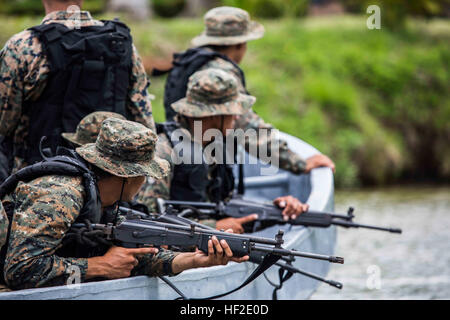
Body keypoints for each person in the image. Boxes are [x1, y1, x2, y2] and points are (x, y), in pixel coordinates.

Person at [0, 118, 247, 290]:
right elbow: (21, 270)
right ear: (128, 176)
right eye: (146, 174)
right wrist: (99, 266)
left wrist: (195, 260)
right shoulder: (62, 194)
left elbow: (131, 259)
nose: (145, 181)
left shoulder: (105, 199)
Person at [160, 6, 335, 176]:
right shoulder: (221, 74)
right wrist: (299, 162)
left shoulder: (188, 63)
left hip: (185, 161)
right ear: (240, 44)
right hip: (202, 168)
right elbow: (249, 130)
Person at [136, 69, 309, 234]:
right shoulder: (164, 152)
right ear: (213, 115)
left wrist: (275, 209)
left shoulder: (215, 143)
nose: (236, 117)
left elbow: (221, 206)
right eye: (232, 111)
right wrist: (215, 227)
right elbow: (146, 223)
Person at [0, 0, 156, 183]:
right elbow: (144, 121)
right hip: (112, 185)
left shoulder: (23, 46)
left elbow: (4, 124)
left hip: (39, 185)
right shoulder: (122, 44)